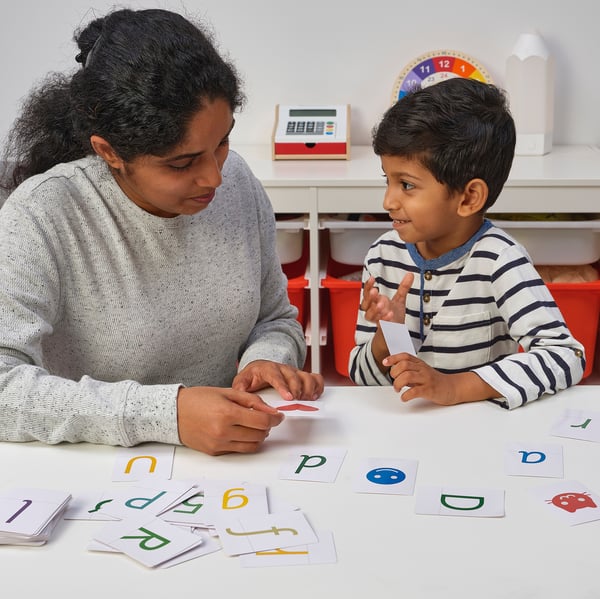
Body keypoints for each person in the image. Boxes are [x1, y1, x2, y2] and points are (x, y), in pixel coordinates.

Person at [0, 8, 323, 455]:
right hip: (94, 471)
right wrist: (166, 413)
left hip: (224, 461)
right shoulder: (43, 213)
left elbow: (275, 319)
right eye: (182, 163)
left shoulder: (240, 184)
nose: (215, 178)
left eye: (223, 142)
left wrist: (266, 361)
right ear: (109, 151)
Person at [349, 77, 585, 409]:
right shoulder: (383, 256)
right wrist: (386, 337)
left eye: (406, 184)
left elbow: (566, 356)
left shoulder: (499, 259)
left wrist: (453, 388)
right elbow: (361, 377)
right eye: (387, 180)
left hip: (478, 433)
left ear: (469, 197)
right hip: (404, 431)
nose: (388, 200)